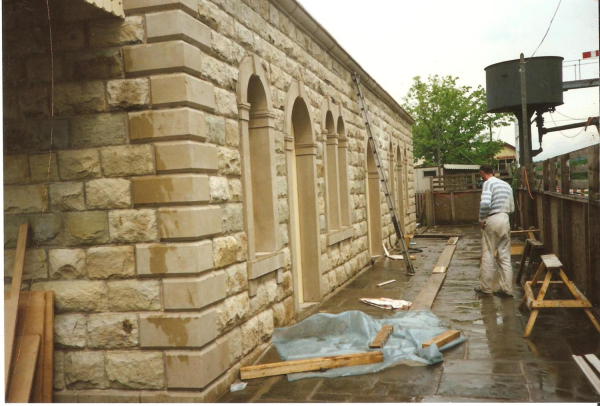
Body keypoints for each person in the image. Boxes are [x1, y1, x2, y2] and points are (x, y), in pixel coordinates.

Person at [475, 164, 515, 297]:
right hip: (505, 218)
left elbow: (485, 203)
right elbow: (512, 207)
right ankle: (507, 289)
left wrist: (481, 220)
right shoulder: (506, 185)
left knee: (488, 253)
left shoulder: (488, 183)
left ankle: (485, 288)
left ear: (482, 173)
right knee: (504, 256)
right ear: (493, 171)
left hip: (493, 218)